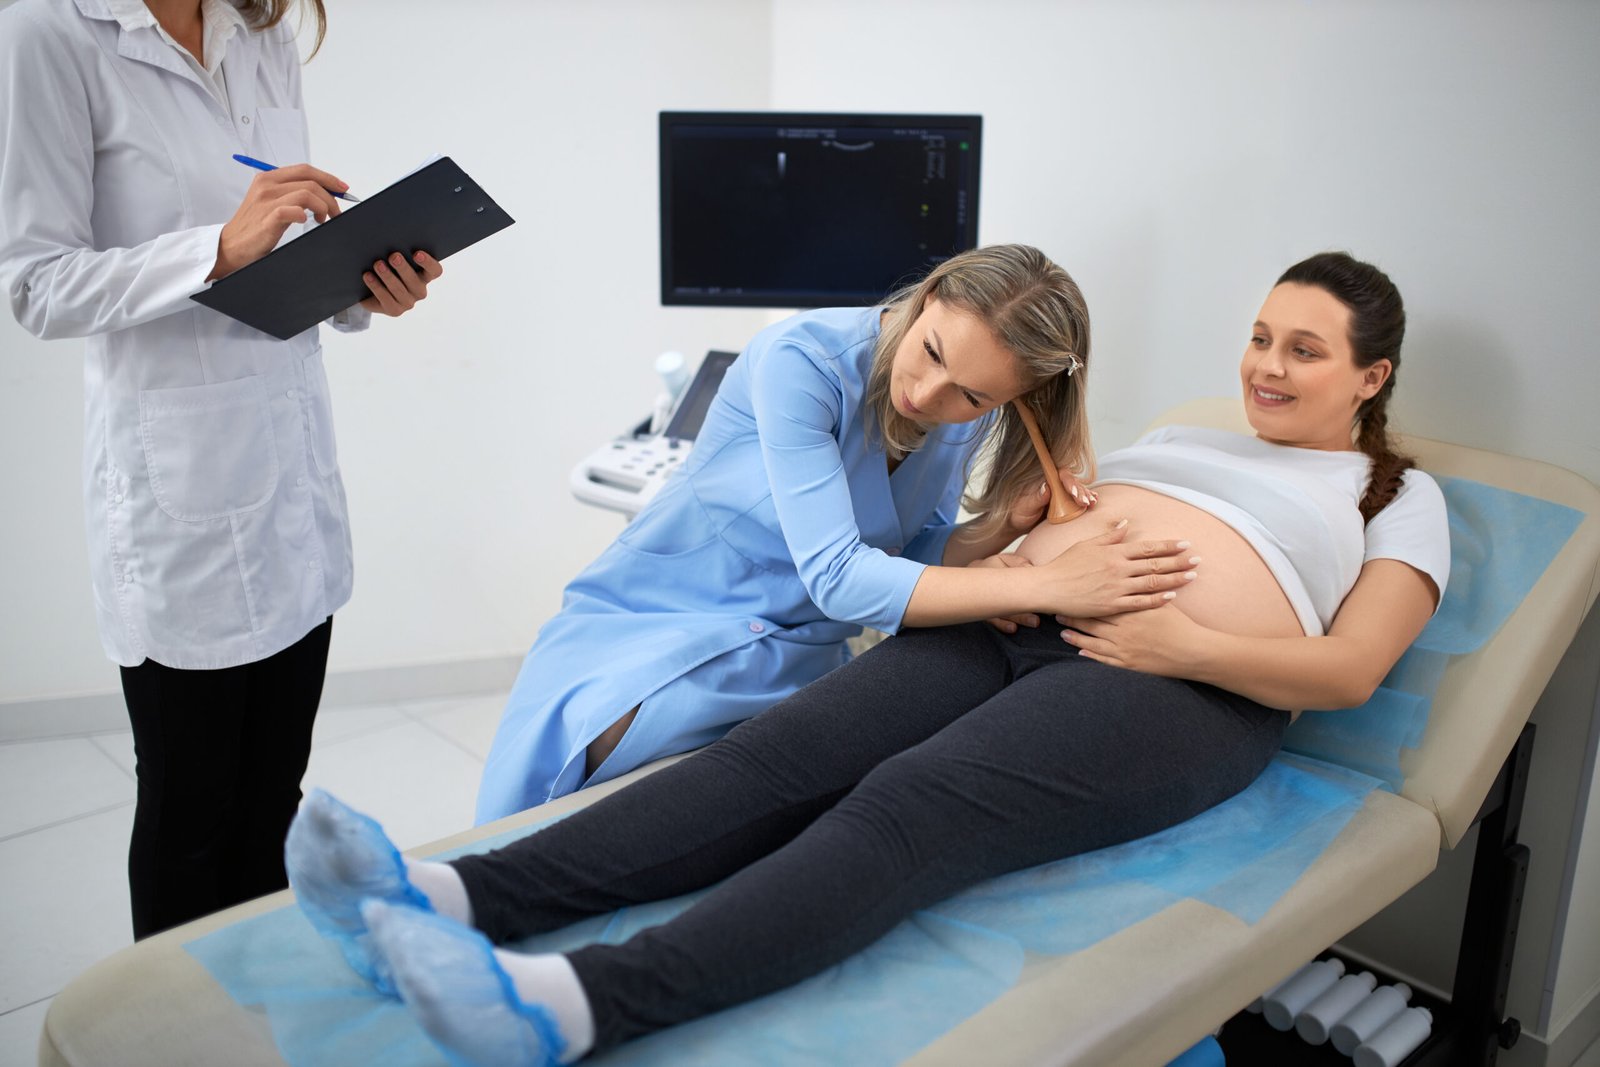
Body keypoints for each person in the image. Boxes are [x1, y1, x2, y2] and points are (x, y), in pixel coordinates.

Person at [286, 250, 1450, 1066]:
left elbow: (1348, 670)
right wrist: (1024, 551)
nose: (1265, 364)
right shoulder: (1181, 431)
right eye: (1258, 335)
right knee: (770, 759)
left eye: (1304, 349)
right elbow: (955, 546)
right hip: (1006, 617)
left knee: (903, 809)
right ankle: (447, 891)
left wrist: (1178, 637)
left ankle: (577, 1005)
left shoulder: (1394, 495)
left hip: (1178, 684)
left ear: (1370, 377)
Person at [477, 242, 1201, 819]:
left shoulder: (963, 417)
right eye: (933, 353)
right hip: (661, 615)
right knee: (598, 750)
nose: (927, 395)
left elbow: (904, 553)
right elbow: (841, 577)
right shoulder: (802, 362)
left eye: (973, 395)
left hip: (795, 652)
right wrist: (1050, 580)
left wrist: (993, 530)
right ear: (928, 298)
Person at [0, 0, 444, 939]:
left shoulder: (263, 28)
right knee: (188, 821)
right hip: (177, 502)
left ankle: (252, 1016)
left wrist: (363, 286)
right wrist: (217, 247)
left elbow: (283, 246)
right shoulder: (51, 32)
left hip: (291, 476)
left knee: (273, 802)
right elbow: (35, 284)